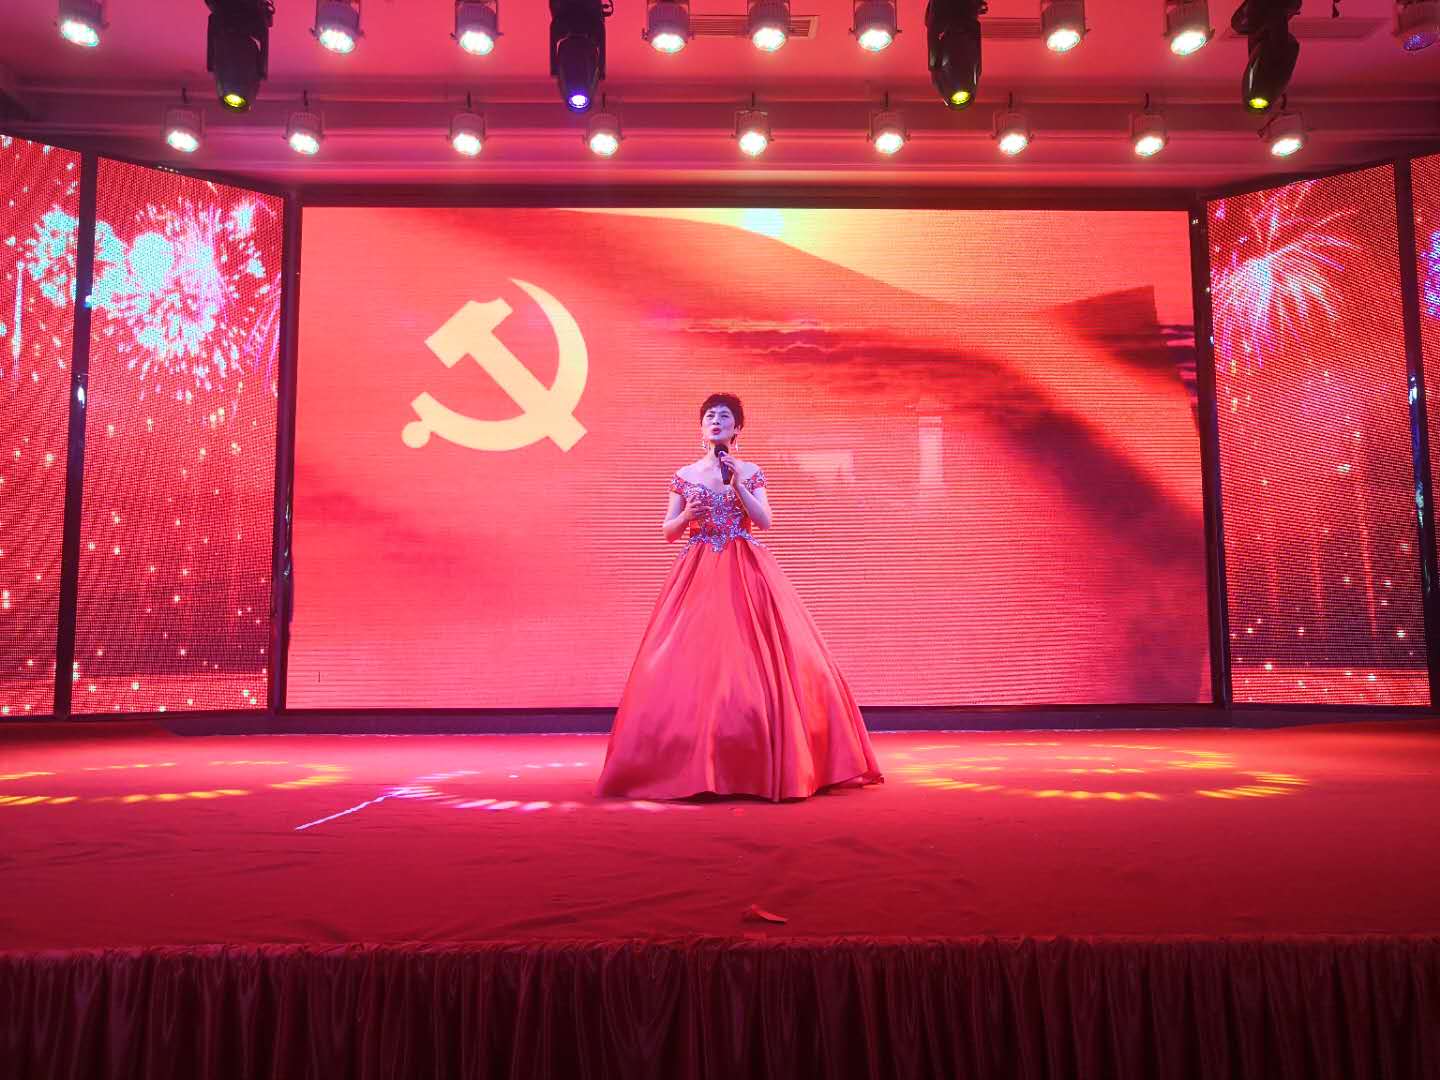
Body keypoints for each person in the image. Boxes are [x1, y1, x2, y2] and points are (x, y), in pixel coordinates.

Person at [595, 393, 884, 802]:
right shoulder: (684, 474)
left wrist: (737, 486)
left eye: (725, 416)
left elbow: (764, 520)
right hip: (698, 569)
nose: (716, 421)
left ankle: (765, 761)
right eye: (710, 416)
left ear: (737, 429)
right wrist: (687, 516)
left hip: (746, 568)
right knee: (692, 662)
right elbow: (668, 532)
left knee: (757, 658)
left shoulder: (749, 471)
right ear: (701, 427)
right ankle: (686, 762)